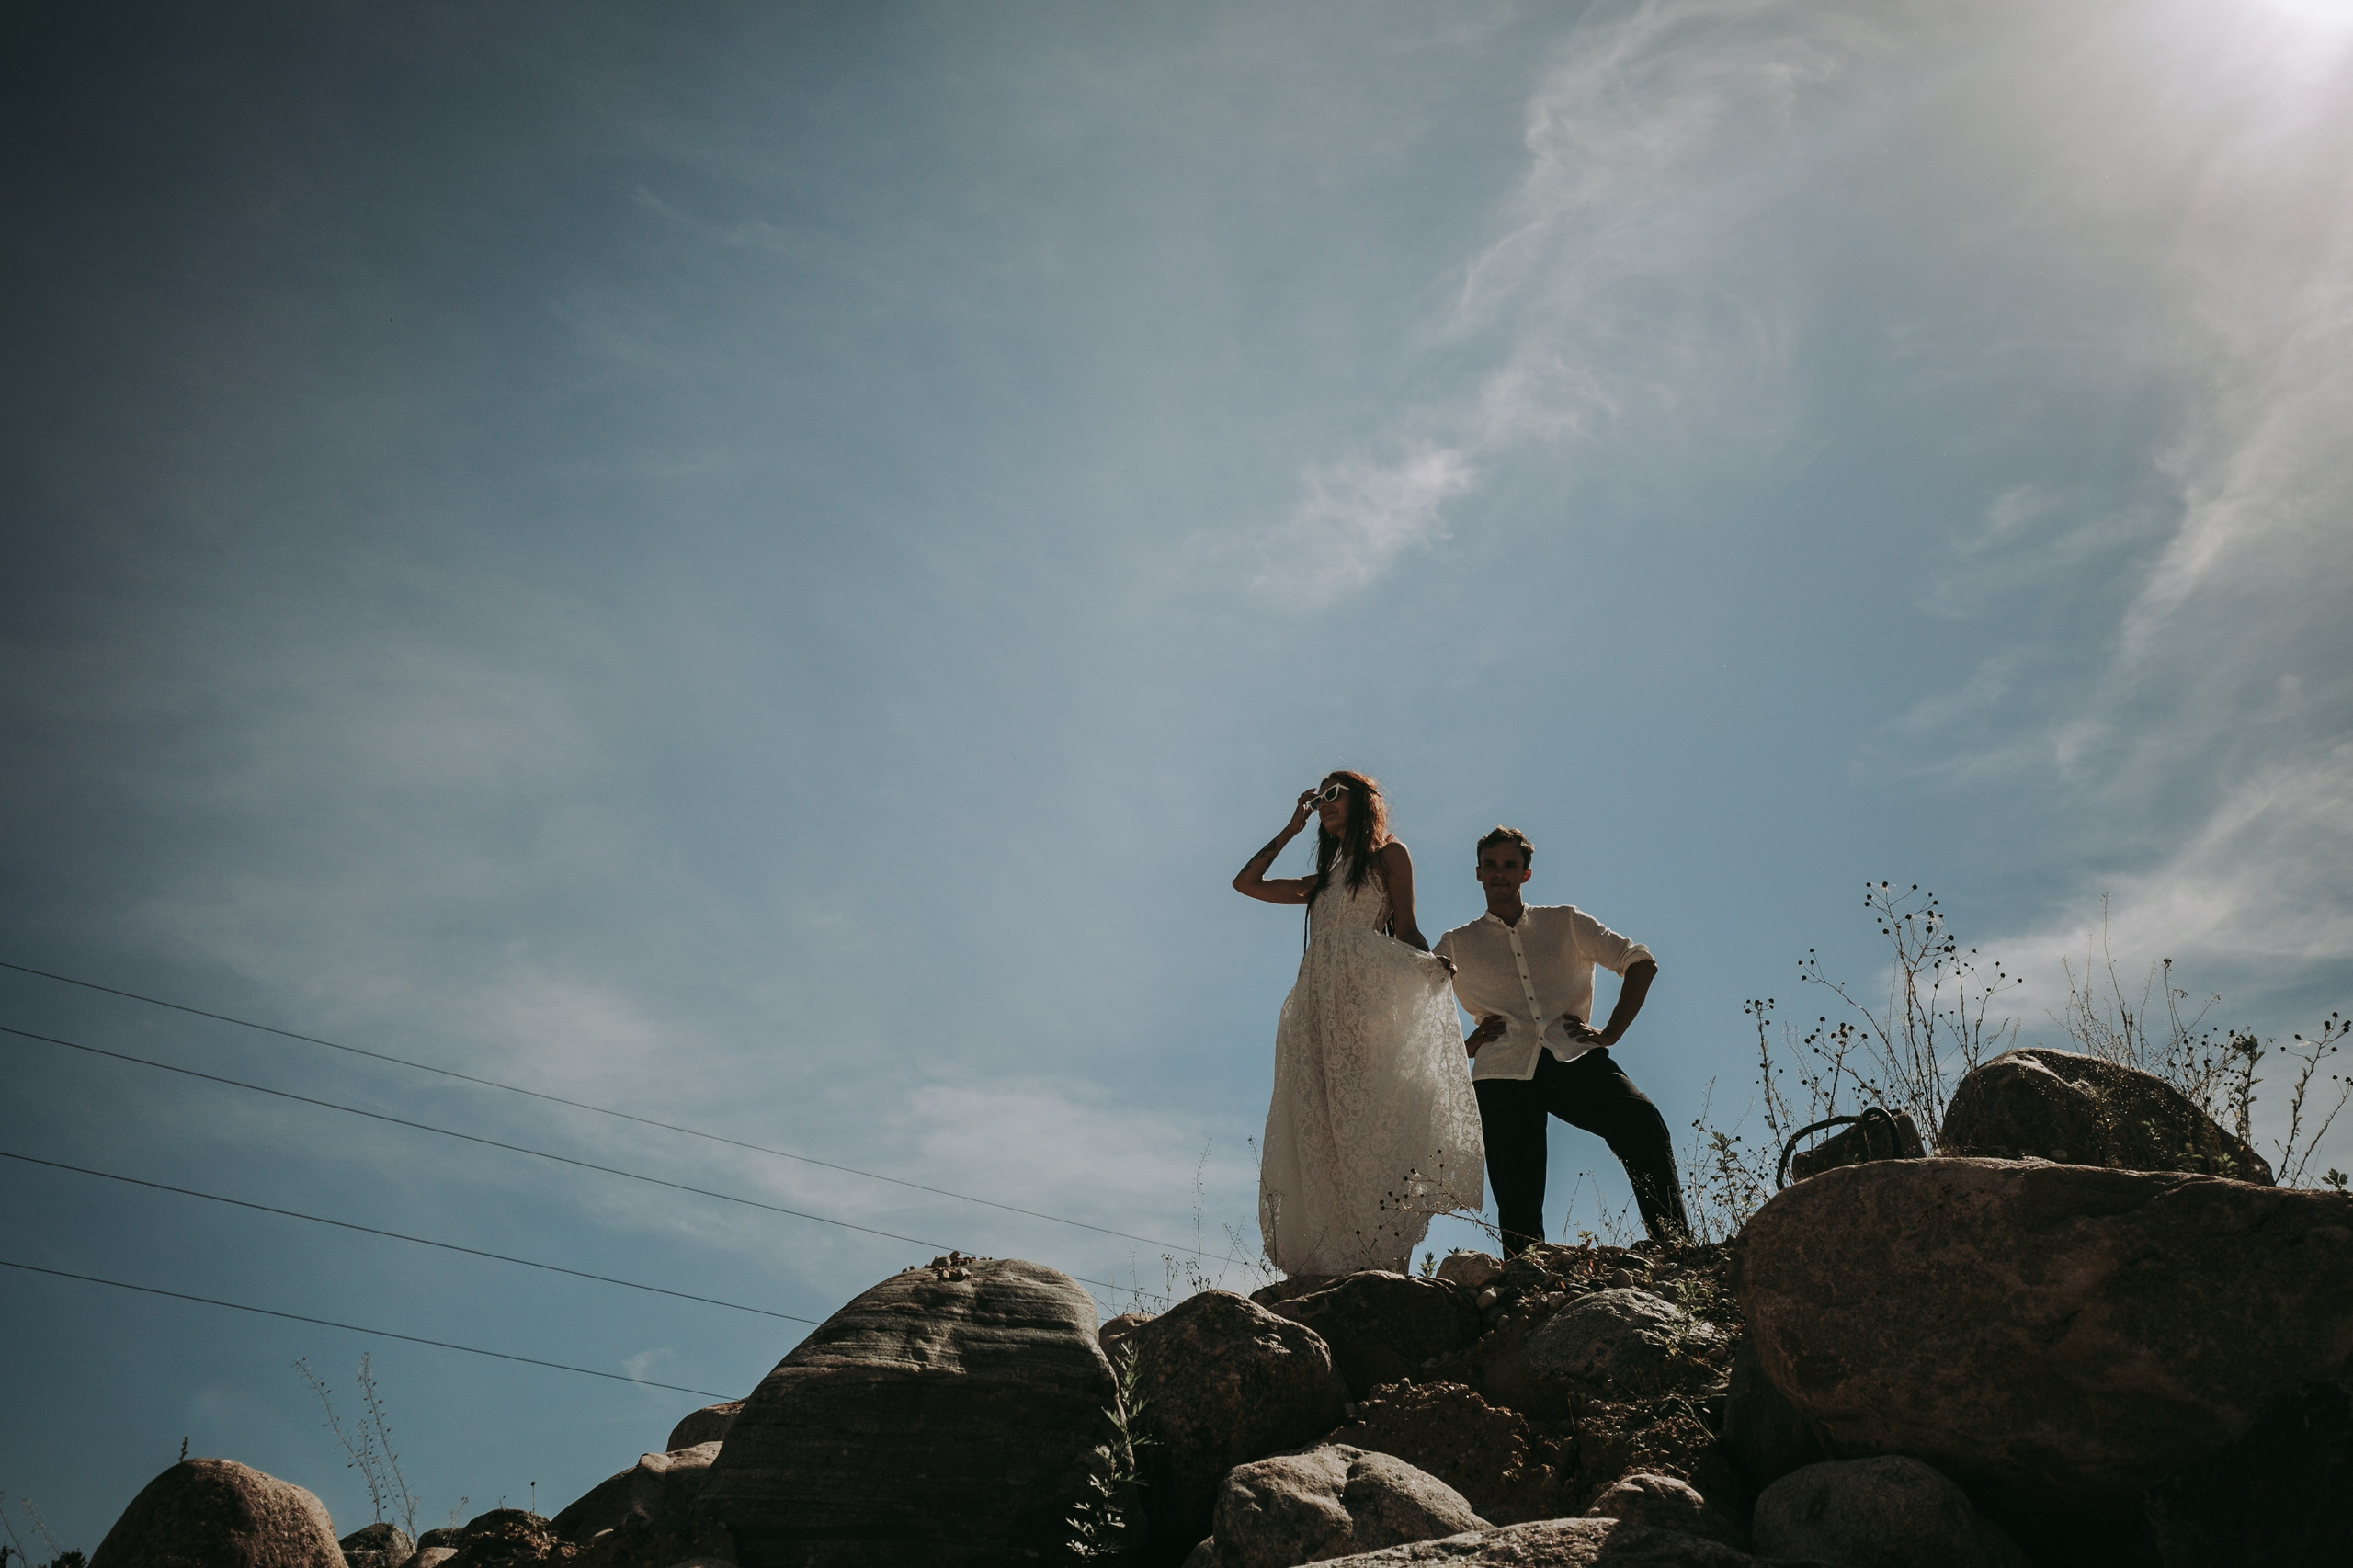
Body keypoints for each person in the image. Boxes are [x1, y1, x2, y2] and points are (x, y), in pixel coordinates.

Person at [1233, 771, 1484, 1278]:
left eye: (1333, 794)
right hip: (1315, 1007)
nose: (1323, 804)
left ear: (1362, 801)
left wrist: (1428, 968)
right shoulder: (1321, 881)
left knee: (1368, 1119)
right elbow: (1246, 883)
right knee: (1323, 1122)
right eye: (1318, 798)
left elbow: (1407, 928)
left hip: (1365, 1000)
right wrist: (1291, 828)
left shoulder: (1390, 855)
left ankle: (1386, 1257)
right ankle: (1336, 1259)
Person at [1433, 826, 1688, 1254]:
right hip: (1502, 1071)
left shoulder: (1565, 921)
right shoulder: (1456, 944)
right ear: (1478, 873)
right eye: (1490, 865)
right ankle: (1527, 1276)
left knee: (1641, 1122)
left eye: (1509, 865)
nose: (1499, 873)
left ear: (1526, 874)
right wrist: (1465, 1047)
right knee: (1516, 1186)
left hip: (1574, 1056)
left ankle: (1675, 1247)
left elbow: (1640, 962)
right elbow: (1417, 1004)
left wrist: (1610, 1032)